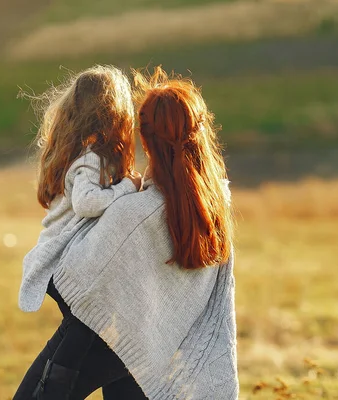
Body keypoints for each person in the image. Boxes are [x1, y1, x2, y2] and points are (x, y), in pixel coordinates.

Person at [17, 66, 239, 399]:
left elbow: (76, 275)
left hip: (96, 333)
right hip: (150, 347)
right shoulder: (213, 209)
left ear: (147, 140)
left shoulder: (134, 212)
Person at [14, 65, 144, 399]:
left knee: (97, 342)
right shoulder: (92, 159)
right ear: (115, 115)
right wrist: (127, 189)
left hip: (64, 266)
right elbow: (87, 203)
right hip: (64, 264)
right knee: (86, 342)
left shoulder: (82, 154)